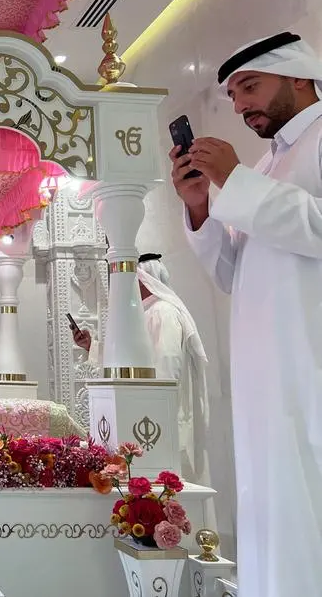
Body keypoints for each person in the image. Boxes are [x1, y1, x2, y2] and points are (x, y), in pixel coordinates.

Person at [170, 32, 322, 597]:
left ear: (300, 77)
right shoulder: (268, 163)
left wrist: (237, 183)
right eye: (233, 94)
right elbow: (235, 273)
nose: (239, 106)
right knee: (274, 509)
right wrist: (202, 208)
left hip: (310, 366)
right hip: (267, 380)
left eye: (249, 87)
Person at [71, 254, 212, 488]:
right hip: (146, 413)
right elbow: (130, 361)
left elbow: (167, 365)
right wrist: (91, 346)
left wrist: (151, 404)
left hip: (162, 416)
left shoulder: (162, 312)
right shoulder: (145, 314)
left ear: (145, 280)